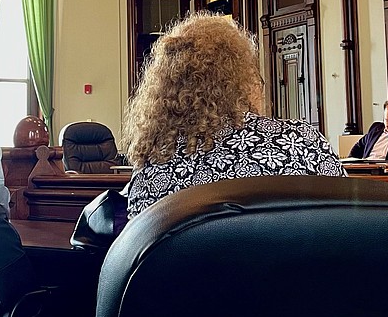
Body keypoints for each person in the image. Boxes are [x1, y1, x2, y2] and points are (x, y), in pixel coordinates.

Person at [123, 12, 344, 220]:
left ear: (163, 88)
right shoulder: (300, 142)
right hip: (296, 259)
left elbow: (140, 250)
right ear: (245, 78)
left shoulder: (152, 169)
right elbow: (346, 218)